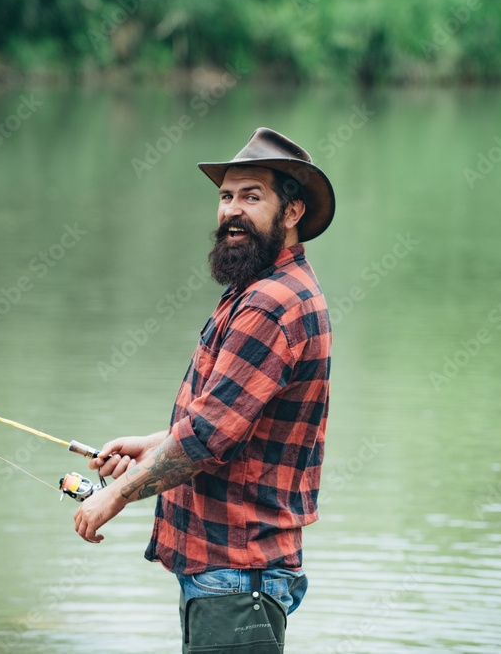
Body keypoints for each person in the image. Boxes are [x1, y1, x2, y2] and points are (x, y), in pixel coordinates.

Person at [73, 127, 334, 650]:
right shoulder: (257, 289)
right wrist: (153, 444)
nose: (232, 211)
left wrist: (115, 495)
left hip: (237, 575)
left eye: (251, 197)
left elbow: (208, 437)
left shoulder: (271, 304)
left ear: (292, 212)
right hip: (231, 575)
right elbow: (229, 419)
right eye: (226, 196)